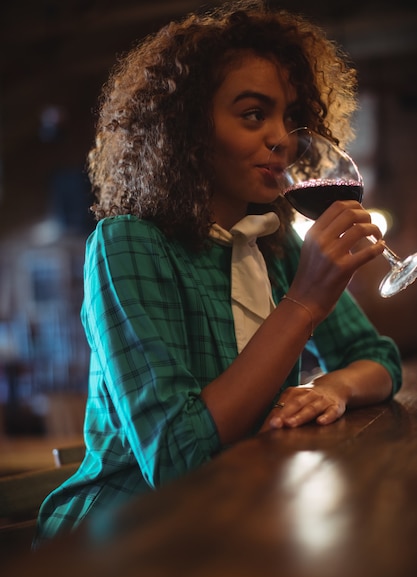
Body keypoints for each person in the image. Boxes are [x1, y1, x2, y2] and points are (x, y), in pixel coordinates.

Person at [34, 0, 402, 545]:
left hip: (244, 509)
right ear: (186, 130)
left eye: (292, 118)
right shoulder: (129, 244)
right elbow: (178, 459)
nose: (281, 137)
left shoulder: (275, 245)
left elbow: (380, 360)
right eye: (254, 115)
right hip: (125, 533)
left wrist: (333, 389)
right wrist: (303, 305)